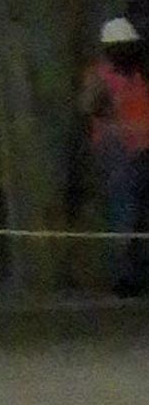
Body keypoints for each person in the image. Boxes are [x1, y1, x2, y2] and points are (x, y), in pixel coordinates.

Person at [80, 16, 149, 295]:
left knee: (137, 214)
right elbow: (88, 108)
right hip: (117, 153)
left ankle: (135, 272)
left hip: (141, 150)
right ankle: (125, 276)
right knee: (124, 213)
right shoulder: (100, 75)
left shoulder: (139, 73)